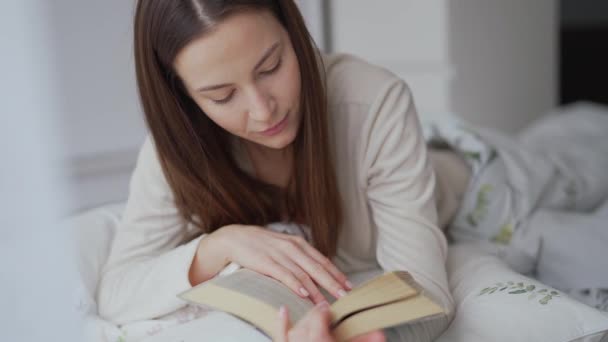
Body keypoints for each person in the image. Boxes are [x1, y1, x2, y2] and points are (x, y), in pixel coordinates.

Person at [98, 0, 455, 340]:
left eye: (271, 67)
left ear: (292, 31)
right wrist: (219, 245)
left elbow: (426, 292)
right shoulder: (177, 148)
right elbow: (117, 292)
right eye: (222, 96)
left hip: (454, 176)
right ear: (184, 97)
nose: (263, 110)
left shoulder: (373, 102)